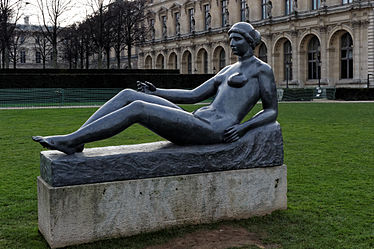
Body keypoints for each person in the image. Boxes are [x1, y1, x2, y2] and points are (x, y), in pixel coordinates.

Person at [33, 22, 278, 155]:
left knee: (138, 108)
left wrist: (242, 128)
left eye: (237, 39)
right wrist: (156, 91)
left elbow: (271, 111)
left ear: (250, 41)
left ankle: (70, 140)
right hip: (197, 119)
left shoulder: (261, 70)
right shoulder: (226, 70)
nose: (232, 43)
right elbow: (193, 95)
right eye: (230, 39)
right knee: (130, 95)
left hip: (216, 130)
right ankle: (76, 140)